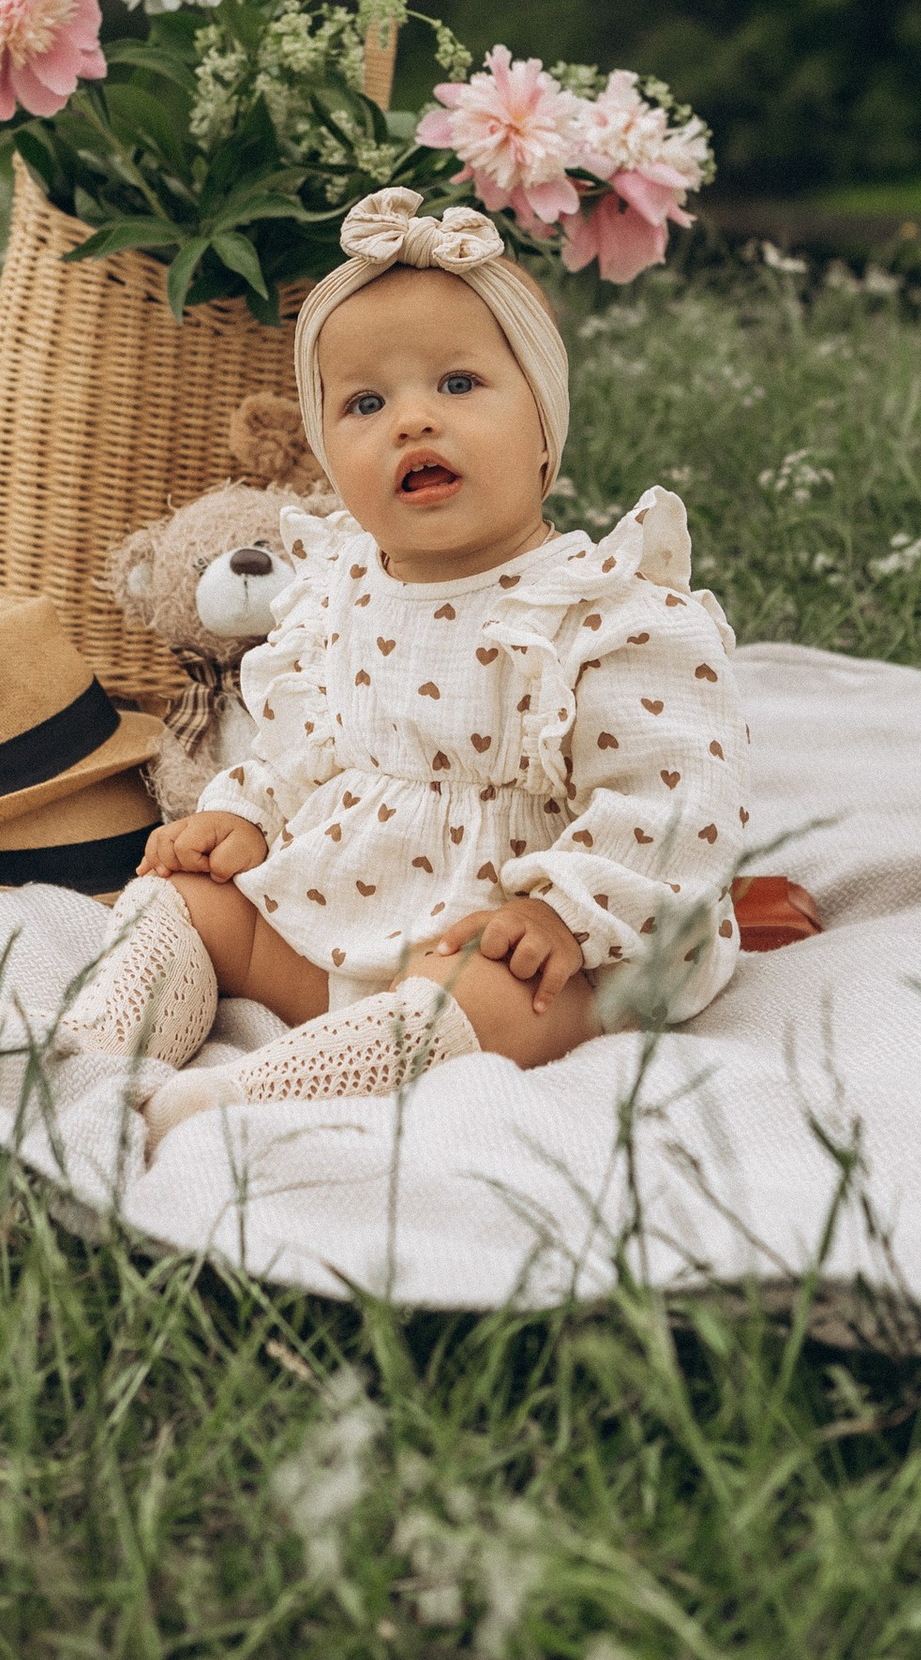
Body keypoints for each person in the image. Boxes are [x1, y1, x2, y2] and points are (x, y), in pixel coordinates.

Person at [62, 187, 749, 1142]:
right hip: (343, 899)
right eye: (366, 403)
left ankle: (256, 1099)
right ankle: (97, 1052)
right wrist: (245, 811)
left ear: (545, 423)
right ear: (329, 453)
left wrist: (561, 914)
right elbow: (303, 741)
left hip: (516, 933)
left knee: (504, 989)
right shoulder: (337, 589)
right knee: (188, 900)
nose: (412, 422)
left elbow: (669, 810)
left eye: (459, 385)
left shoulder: (609, 613)